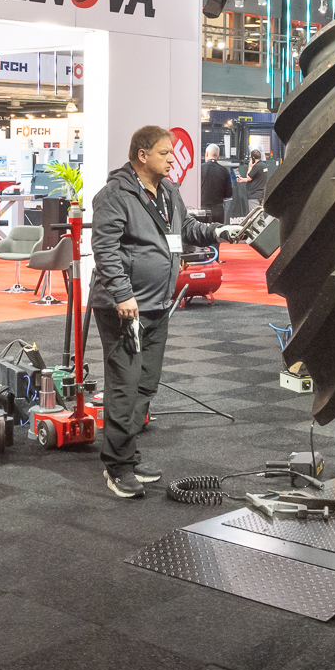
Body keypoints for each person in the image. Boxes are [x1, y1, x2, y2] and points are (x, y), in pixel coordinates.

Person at [89, 125, 239, 498]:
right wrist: (123, 294)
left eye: (171, 152)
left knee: (145, 384)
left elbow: (184, 228)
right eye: (164, 153)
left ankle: (128, 453)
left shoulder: (168, 191)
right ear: (142, 156)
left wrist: (219, 233)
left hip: (157, 303)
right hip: (124, 308)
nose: (173, 159)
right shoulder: (114, 195)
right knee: (124, 385)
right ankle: (117, 467)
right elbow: (105, 249)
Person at [199, 144, 234, 223]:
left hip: (202, 210)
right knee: (218, 230)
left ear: (206, 154)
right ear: (218, 155)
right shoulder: (224, 171)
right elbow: (229, 194)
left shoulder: (199, 169)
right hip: (218, 211)